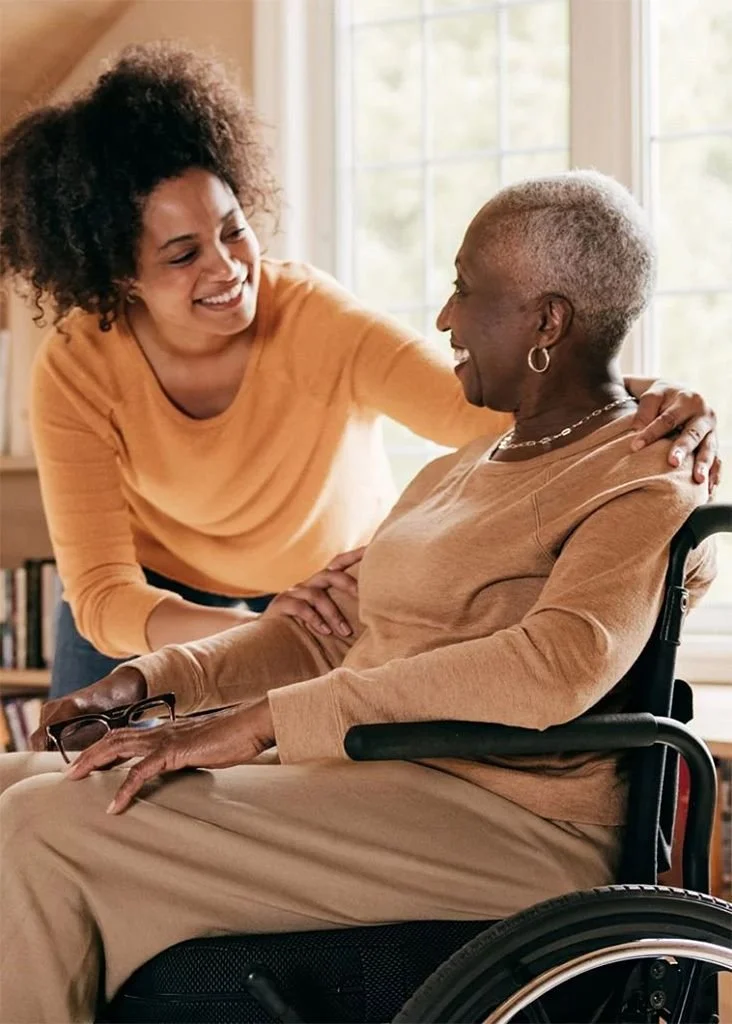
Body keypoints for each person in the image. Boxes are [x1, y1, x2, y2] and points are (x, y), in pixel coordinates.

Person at [0, 171, 717, 1023]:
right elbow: (324, 632)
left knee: (51, 821)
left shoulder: (650, 473)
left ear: (546, 322)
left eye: (464, 289)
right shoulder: (455, 472)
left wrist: (263, 719)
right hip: (376, 773)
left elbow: (555, 665)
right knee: (14, 781)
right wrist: (156, 683)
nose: (445, 318)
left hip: (506, 821)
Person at [0, 43, 720, 699]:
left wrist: (636, 398)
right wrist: (240, 629)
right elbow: (100, 595)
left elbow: (474, 405)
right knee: (80, 799)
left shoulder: (313, 318)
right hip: (155, 610)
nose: (227, 268)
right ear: (121, 279)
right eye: (183, 255)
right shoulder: (77, 368)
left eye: (233, 230)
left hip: (322, 597)